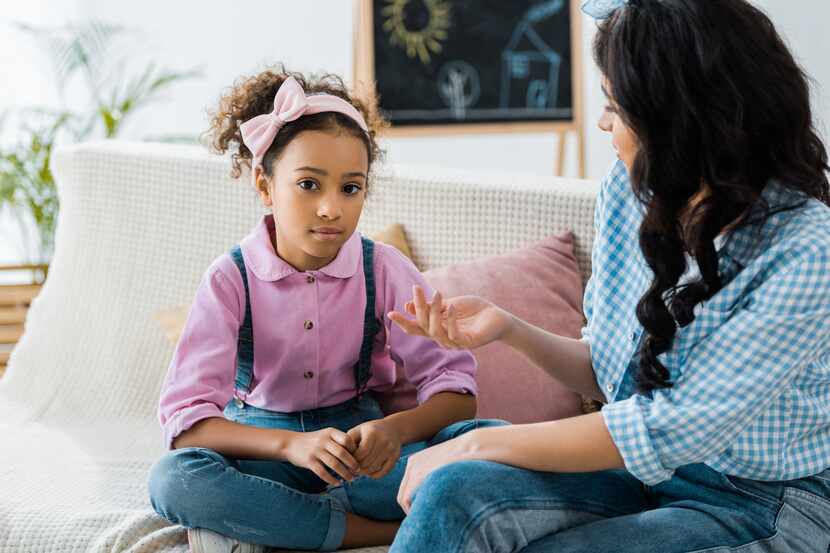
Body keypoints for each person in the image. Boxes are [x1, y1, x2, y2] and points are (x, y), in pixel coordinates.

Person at [386, 1, 830, 551]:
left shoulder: (807, 249)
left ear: (680, 120)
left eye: (614, 107)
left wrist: (476, 447)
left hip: (760, 500)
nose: (602, 123)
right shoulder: (626, 194)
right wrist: (508, 328)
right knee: (454, 490)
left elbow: (669, 427)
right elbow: (610, 377)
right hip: (644, 476)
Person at [146, 68, 493, 553]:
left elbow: (457, 392)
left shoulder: (386, 269)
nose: (331, 208)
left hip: (363, 456)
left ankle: (276, 523)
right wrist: (291, 446)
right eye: (309, 184)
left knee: (486, 441)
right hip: (265, 455)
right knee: (174, 480)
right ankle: (378, 533)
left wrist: (392, 430)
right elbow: (186, 424)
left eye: (350, 188)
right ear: (265, 186)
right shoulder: (231, 279)